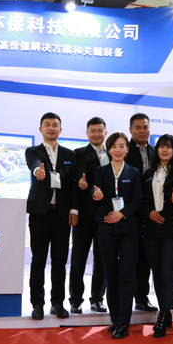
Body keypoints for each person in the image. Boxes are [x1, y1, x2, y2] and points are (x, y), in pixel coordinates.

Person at [25, 113, 78, 320]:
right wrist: (37, 171)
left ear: (60, 130)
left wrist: (74, 210)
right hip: (40, 214)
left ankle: (58, 303)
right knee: (38, 260)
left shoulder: (69, 154)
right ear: (41, 129)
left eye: (55, 125)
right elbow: (34, 163)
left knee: (59, 262)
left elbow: (73, 185)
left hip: (62, 216)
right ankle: (37, 304)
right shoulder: (33, 151)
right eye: (46, 125)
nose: (51, 128)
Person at [93, 133, 144, 339]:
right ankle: (114, 319)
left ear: (127, 149)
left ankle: (123, 322)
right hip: (106, 226)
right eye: (113, 146)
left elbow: (138, 199)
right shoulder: (100, 171)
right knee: (110, 273)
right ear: (108, 149)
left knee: (126, 275)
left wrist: (121, 214)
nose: (117, 150)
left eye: (121, 146)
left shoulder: (134, 172)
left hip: (128, 228)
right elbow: (95, 193)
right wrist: (95, 195)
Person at [141, 134, 173, 338]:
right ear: (157, 149)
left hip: (171, 229)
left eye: (169, 147)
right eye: (162, 146)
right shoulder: (148, 173)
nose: (165, 150)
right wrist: (149, 212)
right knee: (157, 273)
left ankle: (163, 313)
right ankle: (165, 310)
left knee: (168, 273)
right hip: (150, 229)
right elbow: (141, 200)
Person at [69, 117, 109, 314]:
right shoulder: (79, 153)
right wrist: (81, 182)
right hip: (85, 214)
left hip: (106, 215)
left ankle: (97, 299)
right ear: (87, 133)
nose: (96, 134)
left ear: (105, 133)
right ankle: (75, 300)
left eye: (100, 130)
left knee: (102, 258)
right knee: (79, 257)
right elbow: (80, 175)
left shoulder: (113, 152)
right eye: (92, 130)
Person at [123, 113, 157, 312]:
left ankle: (142, 298)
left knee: (145, 258)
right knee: (128, 258)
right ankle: (123, 298)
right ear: (131, 130)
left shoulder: (155, 151)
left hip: (150, 212)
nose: (142, 131)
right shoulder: (125, 151)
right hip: (129, 212)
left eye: (145, 127)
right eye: (138, 127)